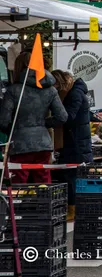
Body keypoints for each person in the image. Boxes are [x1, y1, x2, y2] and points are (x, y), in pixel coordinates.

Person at [0, 53, 68, 184]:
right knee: (43, 183)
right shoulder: (51, 90)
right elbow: (62, 116)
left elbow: (3, 121)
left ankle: (22, 205)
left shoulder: (13, 90)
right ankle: (42, 204)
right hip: (43, 144)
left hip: (20, 144)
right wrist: (42, 124)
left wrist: (15, 129)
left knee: (19, 185)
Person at [54, 70, 92, 221]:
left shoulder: (75, 94)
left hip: (76, 142)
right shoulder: (76, 92)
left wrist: (50, 121)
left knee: (72, 177)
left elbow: (69, 117)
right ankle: (73, 208)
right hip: (76, 141)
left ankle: (73, 209)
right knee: (72, 176)